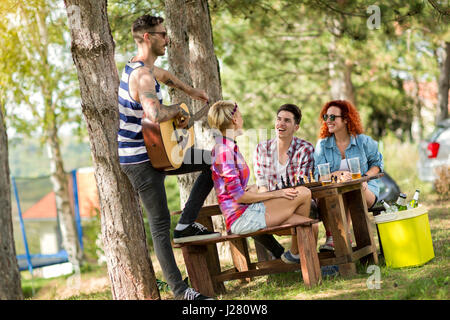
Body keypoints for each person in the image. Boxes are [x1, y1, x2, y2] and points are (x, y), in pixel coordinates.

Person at [117, 15, 220, 300]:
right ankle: (181, 291)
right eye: (163, 34)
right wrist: (179, 110)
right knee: (160, 224)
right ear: (148, 38)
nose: (168, 39)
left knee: (212, 162)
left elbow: (166, 77)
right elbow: (155, 114)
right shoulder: (141, 75)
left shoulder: (145, 68)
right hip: (140, 159)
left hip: (160, 151)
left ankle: (186, 224)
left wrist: (191, 92)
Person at [208, 100, 313, 265]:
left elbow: (237, 189)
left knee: (309, 226)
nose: (242, 118)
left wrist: (254, 188)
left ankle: (298, 259)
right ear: (234, 119)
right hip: (241, 218)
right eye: (240, 115)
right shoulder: (223, 150)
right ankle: (296, 256)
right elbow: (239, 197)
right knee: (304, 193)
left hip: (249, 211)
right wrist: (276, 193)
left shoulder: (230, 147)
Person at [314, 100, 384, 252]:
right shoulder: (322, 146)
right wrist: (338, 174)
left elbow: (377, 165)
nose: (328, 121)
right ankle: (335, 237)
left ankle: (340, 237)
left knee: (350, 191)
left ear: (346, 119)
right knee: (330, 194)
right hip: (334, 193)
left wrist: (363, 178)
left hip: (365, 189)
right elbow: (318, 175)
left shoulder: (364, 141)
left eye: (333, 117)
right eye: (326, 117)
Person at [253, 104, 318, 261]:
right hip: (271, 202)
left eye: (287, 121)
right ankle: (278, 252)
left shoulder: (305, 149)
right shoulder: (262, 148)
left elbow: (300, 187)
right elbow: (261, 184)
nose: (280, 124)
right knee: (245, 215)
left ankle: (297, 256)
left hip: (299, 203)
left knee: (310, 218)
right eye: (279, 119)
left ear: (296, 127)